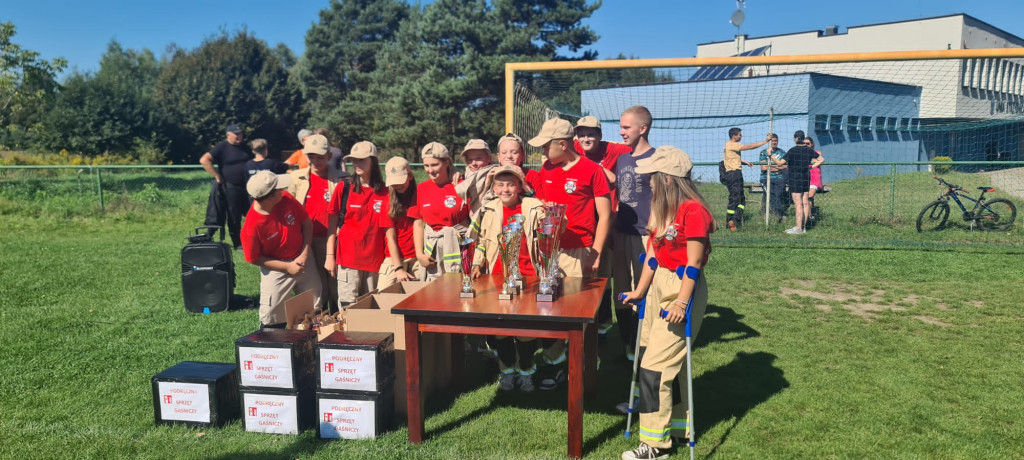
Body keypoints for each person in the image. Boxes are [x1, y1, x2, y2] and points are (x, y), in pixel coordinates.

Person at [619, 146, 714, 460]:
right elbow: (652, 256)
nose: (648, 182)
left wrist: (681, 304)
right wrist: (639, 292)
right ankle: (673, 426)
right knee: (647, 354)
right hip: (659, 284)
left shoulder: (693, 211)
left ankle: (655, 446)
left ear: (669, 179)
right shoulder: (661, 208)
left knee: (654, 369)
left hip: (682, 287)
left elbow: (694, 263)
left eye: (652, 177)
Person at [528, 117, 612, 390]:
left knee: (578, 311)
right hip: (549, 252)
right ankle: (555, 363)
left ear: (562, 144)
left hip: (580, 250)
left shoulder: (591, 170)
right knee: (548, 309)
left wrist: (595, 252)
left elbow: (605, 215)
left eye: (545, 146)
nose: (541, 152)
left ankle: (583, 366)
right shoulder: (547, 168)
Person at [468, 165, 544, 392]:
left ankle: (526, 371)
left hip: (528, 276)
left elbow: (555, 230)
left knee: (524, 331)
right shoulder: (489, 208)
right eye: (500, 185)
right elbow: (482, 240)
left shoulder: (533, 206)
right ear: (494, 188)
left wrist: (552, 218)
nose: (505, 189)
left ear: (520, 186)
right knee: (498, 330)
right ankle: (507, 371)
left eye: (510, 184)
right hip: (498, 277)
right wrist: (476, 263)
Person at [240, 171, 322, 329]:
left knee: (314, 301)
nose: (283, 189)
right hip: (276, 267)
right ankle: (272, 341)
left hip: (303, 257)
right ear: (270, 197)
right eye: (279, 188)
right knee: (271, 312)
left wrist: (304, 254)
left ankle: (313, 338)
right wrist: (287, 267)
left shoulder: (286, 198)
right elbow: (253, 258)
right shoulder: (251, 226)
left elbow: (306, 223)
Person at [576, 114, 633, 340]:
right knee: (595, 272)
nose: (587, 138)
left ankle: (627, 332)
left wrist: (612, 177)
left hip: (612, 219)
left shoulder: (614, 150)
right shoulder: (572, 149)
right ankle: (601, 320)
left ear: (600, 136)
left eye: (592, 133)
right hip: (585, 221)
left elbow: (640, 155)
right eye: (582, 134)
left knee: (615, 272)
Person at [613, 105, 656, 362]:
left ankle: (641, 343)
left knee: (642, 289)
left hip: (644, 235)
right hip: (621, 232)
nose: (621, 132)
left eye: (626, 127)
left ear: (643, 128)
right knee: (621, 289)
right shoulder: (623, 159)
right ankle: (626, 342)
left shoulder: (656, 158)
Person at [286, 134, 348, 310]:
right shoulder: (296, 177)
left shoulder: (342, 178)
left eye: (320, 157)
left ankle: (339, 316)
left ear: (329, 156)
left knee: (335, 279)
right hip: (306, 239)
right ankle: (318, 318)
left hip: (332, 238)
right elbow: (289, 207)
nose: (315, 161)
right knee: (314, 284)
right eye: (311, 156)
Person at [325, 141, 389, 305]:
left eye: (361, 159)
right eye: (353, 160)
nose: (356, 164)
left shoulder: (386, 191)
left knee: (370, 308)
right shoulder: (344, 187)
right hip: (348, 259)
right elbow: (332, 225)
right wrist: (329, 256)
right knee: (347, 308)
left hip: (374, 260)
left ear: (373, 161)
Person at [412, 142, 471, 281]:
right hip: (432, 254)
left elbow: (473, 220)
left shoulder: (461, 186)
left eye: (434, 165)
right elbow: (418, 223)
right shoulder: (421, 188)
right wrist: (419, 254)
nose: (430, 170)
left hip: (458, 249)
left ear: (446, 162)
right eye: (426, 165)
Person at [200, 124, 254, 249]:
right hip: (230, 187)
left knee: (252, 213)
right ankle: (237, 243)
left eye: (240, 133)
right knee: (233, 215)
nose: (239, 136)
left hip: (247, 187)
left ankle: (255, 239)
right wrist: (217, 176)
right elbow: (204, 160)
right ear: (228, 135)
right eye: (236, 134)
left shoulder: (245, 148)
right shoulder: (222, 147)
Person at [378, 156, 419, 288]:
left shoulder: (420, 194)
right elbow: (390, 238)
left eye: (400, 180)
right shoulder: (388, 201)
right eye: (393, 182)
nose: (397, 185)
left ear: (410, 176)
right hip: (395, 258)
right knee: (383, 293)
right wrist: (398, 268)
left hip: (417, 257)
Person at [721, 127, 770, 231]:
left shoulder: (727, 145)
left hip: (731, 174)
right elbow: (750, 147)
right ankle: (732, 221)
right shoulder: (733, 144)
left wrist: (743, 162)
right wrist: (765, 141)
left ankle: (732, 221)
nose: (741, 136)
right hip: (735, 174)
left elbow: (731, 159)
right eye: (739, 135)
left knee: (740, 199)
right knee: (737, 199)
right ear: (734, 136)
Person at [784, 131, 821, 235]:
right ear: (803, 138)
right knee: (805, 202)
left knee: (798, 204)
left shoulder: (792, 151)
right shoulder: (808, 150)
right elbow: (821, 159)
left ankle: (799, 228)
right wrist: (812, 166)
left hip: (795, 178)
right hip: (806, 178)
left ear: (795, 139)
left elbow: (780, 163)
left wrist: (770, 155)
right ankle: (803, 227)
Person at [455, 139, 498, 215]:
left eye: (479, 158)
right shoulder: (465, 178)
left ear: (489, 158)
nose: (474, 163)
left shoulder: (496, 175)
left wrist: (487, 185)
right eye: (469, 160)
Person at [758, 133, 788, 221]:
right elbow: (764, 167)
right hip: (766, 178)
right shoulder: (763, 152)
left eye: (775, 141)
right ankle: (775, 214)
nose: (774, 142)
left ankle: (779, 214)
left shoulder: (782, 152)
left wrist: (772, 167)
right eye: (772, 141)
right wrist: (778, 167)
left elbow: (786, 166)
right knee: (770, 194)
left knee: (778, 195)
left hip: (779, 178)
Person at [804, 137, 826, 224]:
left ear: (812, 144)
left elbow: (819, 160)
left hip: (814, 178)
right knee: (806, 198)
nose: (806, 145)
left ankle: (808, 217)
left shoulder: (817, 153)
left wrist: (811, 161)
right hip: (805, 177)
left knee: (809, 196)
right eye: (804, 143)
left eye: (808, 143)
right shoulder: (802, 153)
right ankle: (809, 217)